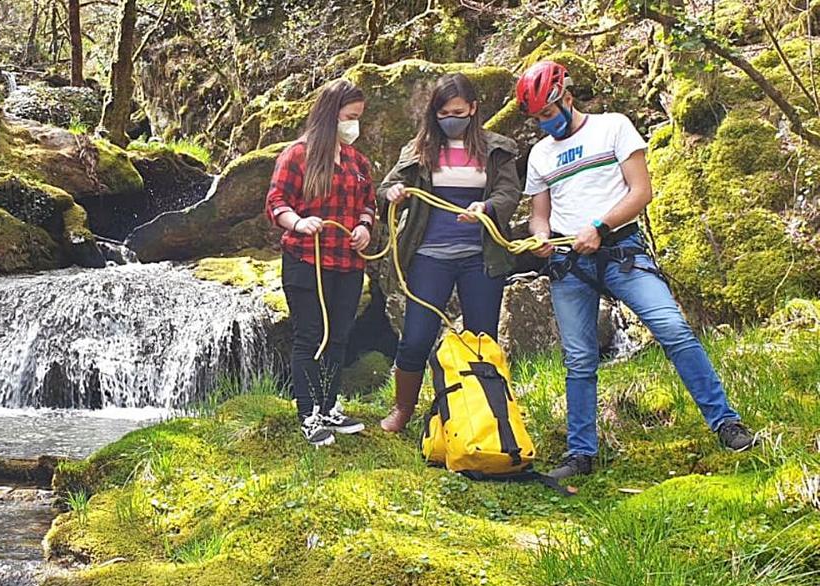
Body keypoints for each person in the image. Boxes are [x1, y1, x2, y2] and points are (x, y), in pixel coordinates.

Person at [517, 60, 756, 480]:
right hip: (567, 261)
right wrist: (539, 236)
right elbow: (540, 214)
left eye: (548, 114)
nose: (544, 124)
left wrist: (599, 227)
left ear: (566, 98)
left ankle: (726, 423)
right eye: (536, 119)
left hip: (620, 249)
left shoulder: (613, 127)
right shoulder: (540, 155)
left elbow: (641, 190)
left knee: (673, 329)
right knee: (578, 359)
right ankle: (580, 454)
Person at [376, 73, 522, 433]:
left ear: (473, 109)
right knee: (416, 336)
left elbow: (508, 193)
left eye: (458, 111)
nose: (451, 119)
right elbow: (385, 188)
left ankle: (482, 415)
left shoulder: (497, 148)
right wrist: (393, 193)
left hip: (481, 257)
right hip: (429, 256)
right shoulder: (417, 150)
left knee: (481, 338)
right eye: (443, 113)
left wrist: (486, 208)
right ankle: (402, 409)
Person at [265, 78, 374, 446]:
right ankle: (308, 414)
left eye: (358, 117)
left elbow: (369, 205)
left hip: (347, 262)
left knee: (339, 336)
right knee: (311, 335)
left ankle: (329, 407)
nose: (354, 125)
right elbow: (276, 202)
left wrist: (364, 227)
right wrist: (298, 222)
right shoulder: (298, 154)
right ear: (330, 115)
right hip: (305, 259)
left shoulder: (358, 162)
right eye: (349, 116)